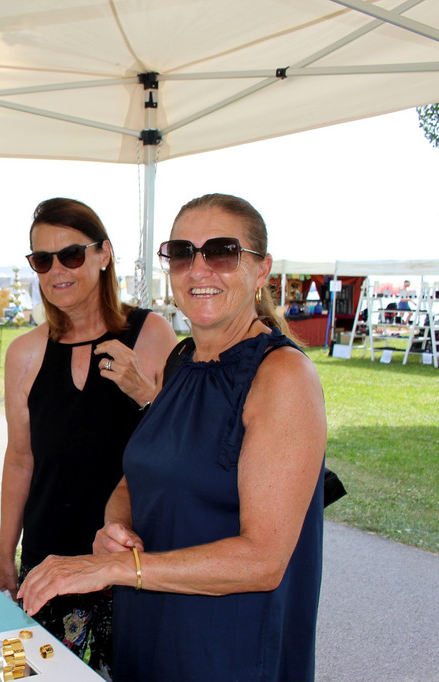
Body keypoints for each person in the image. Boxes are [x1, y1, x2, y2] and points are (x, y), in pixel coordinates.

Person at [18, 193, 327, 681]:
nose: (198, 269)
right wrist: (114, 529)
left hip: (226, 646)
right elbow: (135, 476)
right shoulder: (182, 361)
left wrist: (116, 571)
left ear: (262, 269)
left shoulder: (282, 375)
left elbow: (264, 560)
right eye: (182, 253)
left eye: (221, 252)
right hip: (149, 630)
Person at [0, 197, 176, 678]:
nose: (57, 270)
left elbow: (180, 444)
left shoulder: (152, 334)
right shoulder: (26, 353)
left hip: (130, 559)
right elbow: (20, 461)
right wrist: (5, 561)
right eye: (42, 260)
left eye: (71, 255)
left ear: (104, 254)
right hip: (48, 561)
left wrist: (145, 393)